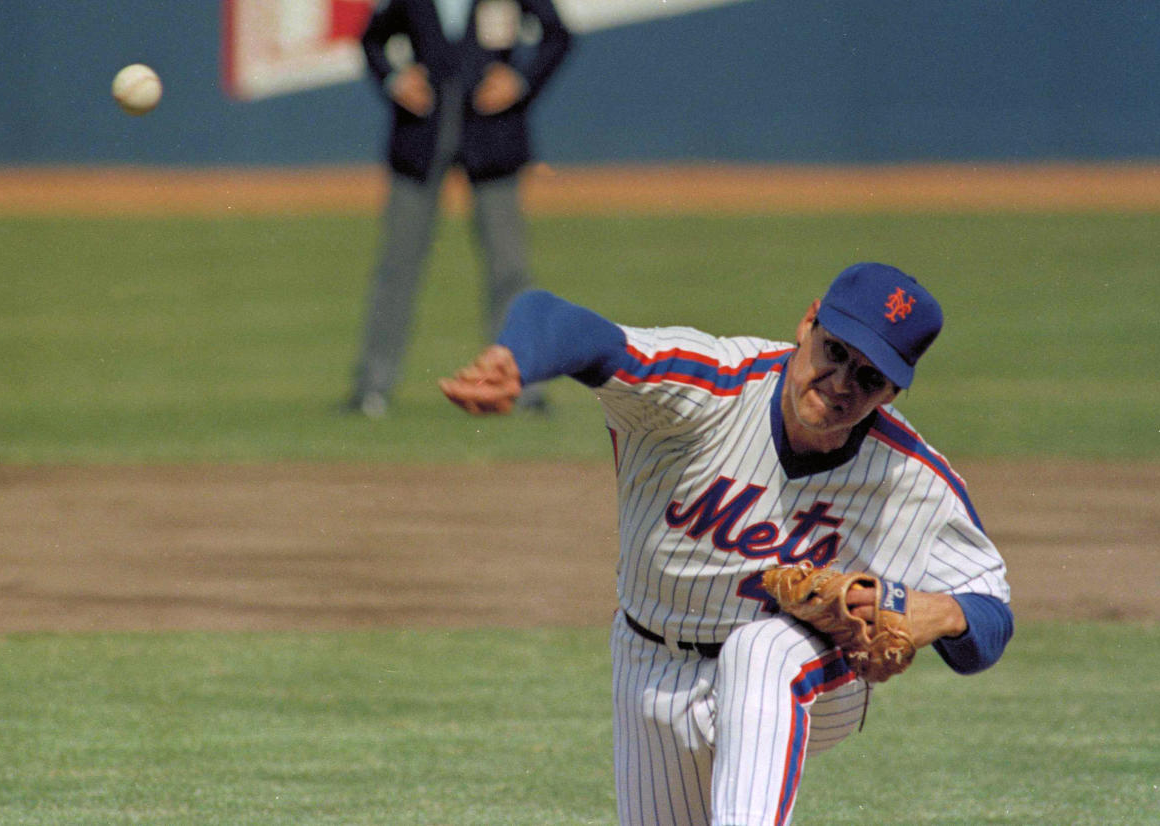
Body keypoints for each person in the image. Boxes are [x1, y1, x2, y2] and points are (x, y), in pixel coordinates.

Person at [439, 262, 1014, 826]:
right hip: (650, 661)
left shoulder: (910, 479)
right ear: (808, 323)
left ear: (892, 392)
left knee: (759, 650)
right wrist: (516, 358)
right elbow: (570, 325)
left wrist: (939, 615)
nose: (841, 384)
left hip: (805, 674)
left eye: (869, 378)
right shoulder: (705, 387)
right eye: (836, 352)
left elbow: (989, 622)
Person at [346, 0, 572, 417]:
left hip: (491, 136)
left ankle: (521, 388)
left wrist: (520, 80)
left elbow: (557, 34)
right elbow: (372, 39)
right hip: (422, 137)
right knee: (397, 265)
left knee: (510, 267)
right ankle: (371, 389)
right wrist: (396, 79)